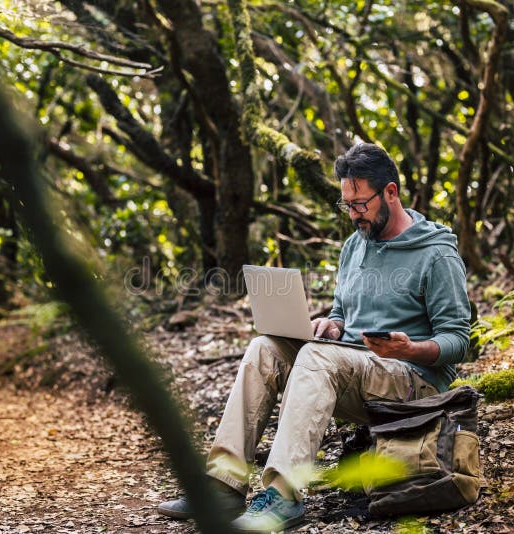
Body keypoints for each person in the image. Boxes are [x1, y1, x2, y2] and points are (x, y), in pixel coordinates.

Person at [158, 143, 471, 532]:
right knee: (264, 348)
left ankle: (283, 495)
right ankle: (223, 484)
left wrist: (409, 347)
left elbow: (459, 341)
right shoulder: (355, 245)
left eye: (361, 204)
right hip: (354, 368)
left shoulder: (436, 253)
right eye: (347, 205)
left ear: (390, 192)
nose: (355, 214)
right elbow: (343, 310)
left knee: (318, 358)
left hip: (414, 382)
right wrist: (333, 325)